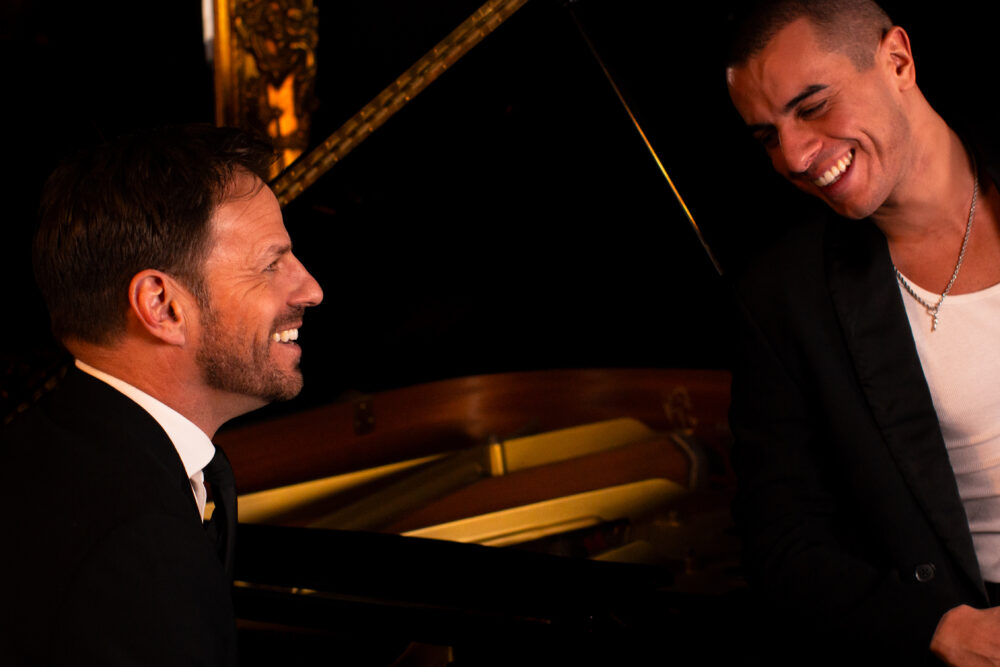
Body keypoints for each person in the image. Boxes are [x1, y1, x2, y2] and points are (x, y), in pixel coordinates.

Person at [724, 1, 1000, 664]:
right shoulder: (785, 298)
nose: (794, 156)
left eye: (813, 105)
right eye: (767, 137)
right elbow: (782, 543)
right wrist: (939, 627)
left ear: (898, 61)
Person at [0, 125, 324, 665]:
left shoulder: (39, 445)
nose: (311, 289)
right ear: (162, 306)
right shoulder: (141, 556)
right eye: (270, 264)